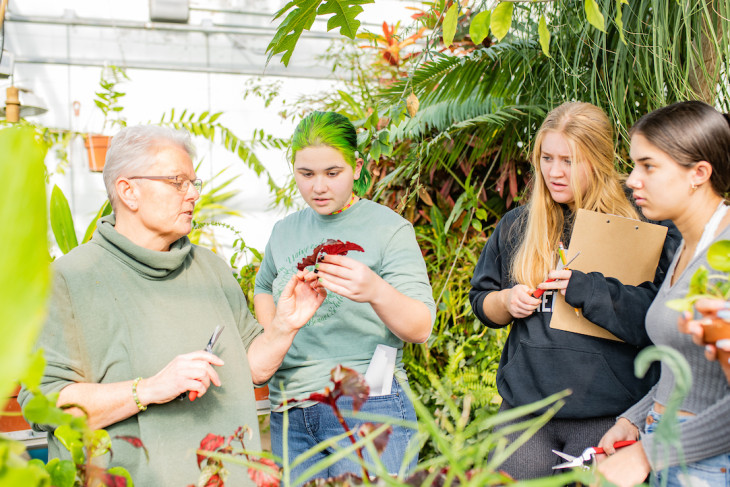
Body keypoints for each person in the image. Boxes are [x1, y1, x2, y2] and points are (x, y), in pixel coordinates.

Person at [19, 125, 325, 486]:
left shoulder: (209, 267)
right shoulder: (69, 279)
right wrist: (149, 388)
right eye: (177, 182)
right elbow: (47, 407)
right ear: (128, 191)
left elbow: (252, 370)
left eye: (195, 182)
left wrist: (285, 325)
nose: (193, 194)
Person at [468, 101, 680, 479]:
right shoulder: (519, 224)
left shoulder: (641, 221)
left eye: (569, 160)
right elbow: (482, 301)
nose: (554, 172)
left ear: (598, 159)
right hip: (526, 412)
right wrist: (505, 301)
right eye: (546, 158)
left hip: (606, 411)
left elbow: (655, 321)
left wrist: (587, 289)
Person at [253, 111, 436, 482]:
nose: (318, 187)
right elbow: (262, 287)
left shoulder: (389, 229)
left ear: (357, 166)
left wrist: (375, 291)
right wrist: (278, 332)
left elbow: (420, 327)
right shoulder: (284, 230)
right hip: (289, 410)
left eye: (332, 173)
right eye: (306, 174)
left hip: (366, 405)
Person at [597, 101, 730, 487]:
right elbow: (684, 370)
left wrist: (649, 453)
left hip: (706, 463)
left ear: (699, 174)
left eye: (648, 166)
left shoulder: (724, 256)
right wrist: (635, 421)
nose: (632, 179)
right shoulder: (686, 247)